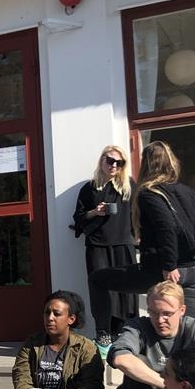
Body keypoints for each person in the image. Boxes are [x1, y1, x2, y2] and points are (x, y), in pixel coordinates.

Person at [88, 140, 195, 329]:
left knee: (97, 279)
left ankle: (104, 337)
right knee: (184, 331)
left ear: (147, 164)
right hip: (194, 273)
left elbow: (165, 226)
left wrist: (169, 265)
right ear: (171, 162)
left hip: (163, 270)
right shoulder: (187, 191)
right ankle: (186, 358)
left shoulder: (148, 193)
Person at [108, 280, 195, 389]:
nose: (160, 320)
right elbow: (120, 359)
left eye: (167, 314)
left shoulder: (194, 330)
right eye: (153, 312)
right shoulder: (139, 326)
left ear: (182, 310)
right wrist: (167, 384)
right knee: (136, 362)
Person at [72, 145, 137, 355]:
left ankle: (124, 333)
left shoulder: (128, 186)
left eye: (119, 163)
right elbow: (78, 218)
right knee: (101, 290)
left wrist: (140, 236)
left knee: (125, 291)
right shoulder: (89, 188)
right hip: (98, 245)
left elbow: (140, 213)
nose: (114, 166)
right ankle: (104, 334)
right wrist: (95, 212)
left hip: (123, 244)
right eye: (110, 161)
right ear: (102, 160)